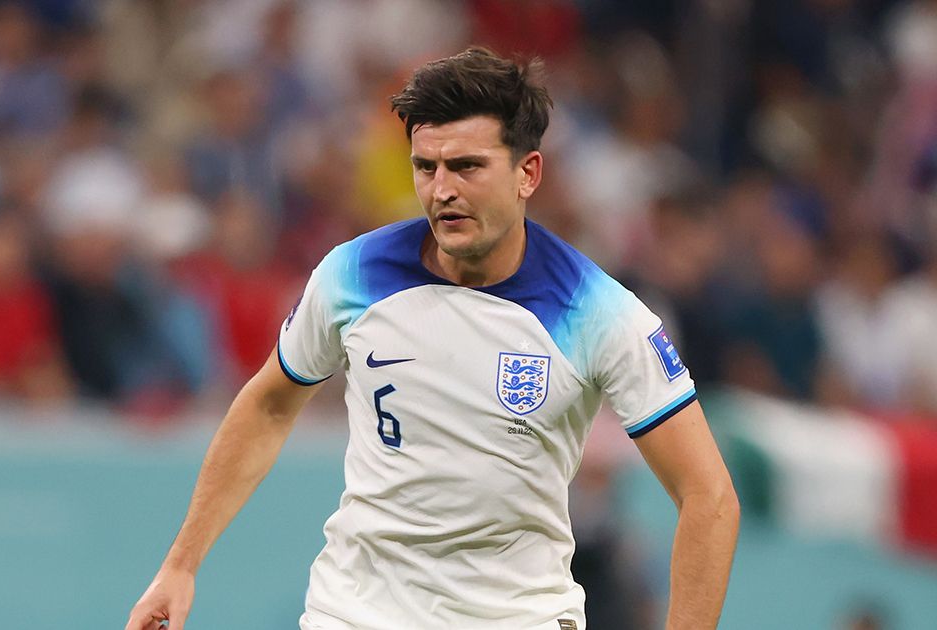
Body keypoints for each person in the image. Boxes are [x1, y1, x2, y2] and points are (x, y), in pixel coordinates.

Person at [125, 47, 739, 630]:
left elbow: (709, 497)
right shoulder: (353, 274)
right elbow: (267, 403)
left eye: (467, 166)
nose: (442, 188)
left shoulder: (599, 312)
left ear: (528, 173)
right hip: (355, 610)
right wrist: (180, 564)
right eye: (426, 166)